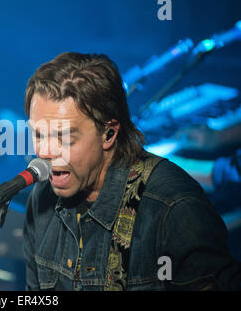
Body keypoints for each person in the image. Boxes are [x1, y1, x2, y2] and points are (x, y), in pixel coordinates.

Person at [22, 52, 241, 291]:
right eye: (38, 135)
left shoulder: (174, 207)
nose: (44, 152)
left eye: (63, 138)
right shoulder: (42, 198)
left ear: (109, 134)